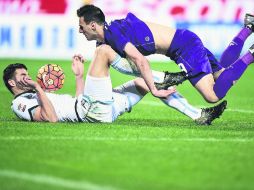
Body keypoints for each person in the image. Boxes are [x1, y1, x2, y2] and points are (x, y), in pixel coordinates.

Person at [3, 45, 226, 124]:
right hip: (91, 112)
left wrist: (79, 77)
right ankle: (164, 76)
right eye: (22, 76)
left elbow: (74, 103)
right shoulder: (20, 104)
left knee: (143, 83)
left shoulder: (32, 94)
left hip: (92, 107)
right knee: (103, 52)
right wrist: (39, 88)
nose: (27, 77)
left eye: (27, 74)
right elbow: (51, 119)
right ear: (12, 82)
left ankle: (199, 116)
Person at [76, 5, 254, 103]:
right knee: (222, 73)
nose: (79, 31)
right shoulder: (107, 36)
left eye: (81, 27)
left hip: (183, 47)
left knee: (212, 95)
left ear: (93, 25)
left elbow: (140, 59)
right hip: (184, 41)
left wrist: (153, 89)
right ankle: (248, 27)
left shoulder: (112, 34)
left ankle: (251, 53)